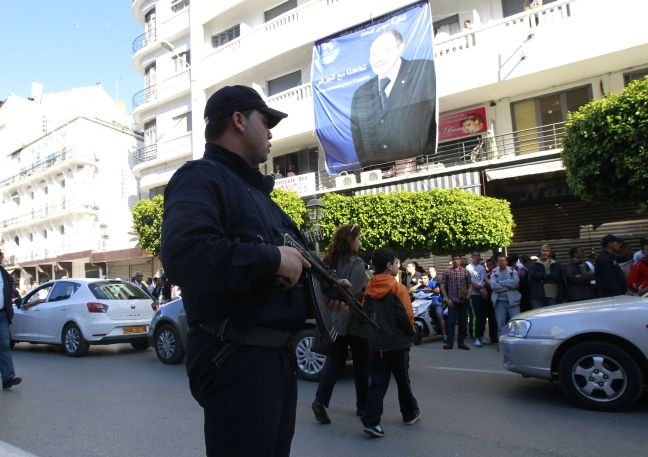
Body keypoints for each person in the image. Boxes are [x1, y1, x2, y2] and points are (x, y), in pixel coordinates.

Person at [160, 85, 314, 457]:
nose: (271, 132)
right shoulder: (200, 177)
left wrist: (323, 293)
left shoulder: (260, 196)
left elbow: (286, 271)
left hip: (274, 361)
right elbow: (185, 253)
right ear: (239, 120)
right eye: (267, 121)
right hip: (236, 360)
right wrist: (272, 259)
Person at [350, 29, 436, 168]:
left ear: (400, 48)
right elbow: (359, 140)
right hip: (381, 176)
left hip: (420, 167)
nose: (378, 58)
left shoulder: (423, 71)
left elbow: (432, 117)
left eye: (385, 51)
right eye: (373, 54)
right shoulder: (360, 95)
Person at [312, 224, 369, 424]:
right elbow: (353, 293)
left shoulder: (328, 261)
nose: (360, 242)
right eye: (358, 238)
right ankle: (362, 407)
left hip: (332, 320)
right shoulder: (357, 263)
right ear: (350, 241)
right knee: (362, 364)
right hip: (354, 321)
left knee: (334, 363)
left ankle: (319, 402)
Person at [361, 248, 419, 437]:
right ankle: (409, 414)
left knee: (377, 383)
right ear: (388, 266)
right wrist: (412, 334)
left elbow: (365, 315)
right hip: (397, 344)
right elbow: (407, 316)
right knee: (403, 380)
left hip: (376, 344)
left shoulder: (369, 289)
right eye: (396, 262)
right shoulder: (398, 288)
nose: (398, 265)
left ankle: (371, 421)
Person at [440, 253, 472, 350]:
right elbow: (442, 286)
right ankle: (449, 343)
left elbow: (470, 284)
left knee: (463, 323)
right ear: (451, 260)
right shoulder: (447, 272)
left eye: (457, 259)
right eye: (454, 259)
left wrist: (468, 295)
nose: (456, 261)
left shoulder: (466, 272)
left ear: (460, 260)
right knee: (451, 323)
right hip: (452, 301)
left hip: (463, 301)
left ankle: (461, 343)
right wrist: (446, 299)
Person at [1, 249, 22, 390]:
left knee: (4, 346)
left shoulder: (3, 273)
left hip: (2, 314)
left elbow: (10, 289)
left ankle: (8, 377)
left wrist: (18, 298)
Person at [489, 253, 521, 340]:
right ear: (497, 262)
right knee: (501, 324)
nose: (501, 262)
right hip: (499, 302)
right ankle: (501, 343)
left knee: (515, 324)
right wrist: (508, 286)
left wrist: (502, 283)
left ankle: (515, 342)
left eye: (503, 261)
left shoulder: (513, 272)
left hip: (513, 302)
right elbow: (493, 286)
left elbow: (515, 283)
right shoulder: (494, 273)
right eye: (499, 261)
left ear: (506, 262)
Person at [528, 244, 564, 308]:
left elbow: (556, 276)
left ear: (550, 252)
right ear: (540, 251)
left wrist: (542, 276)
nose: (545, 253)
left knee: (551, 316)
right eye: (543, 250)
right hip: (537, 295)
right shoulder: (533, 264)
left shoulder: (556, 264)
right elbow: (533, 275)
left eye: (547, 251)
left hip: (552, 294)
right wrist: (547, 275)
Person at [466, 251, 488, 347]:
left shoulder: (482, 268)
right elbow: (470, 282)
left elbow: (483, 280)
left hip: (481, 295)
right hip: (473, 295)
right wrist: (479, 289)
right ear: (472, 257)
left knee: (483, 317)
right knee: (476, 317)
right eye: (475, 255)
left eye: (478, 255)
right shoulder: (468, 268)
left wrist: (482, 288)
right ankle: (476, 338)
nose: (477, 257)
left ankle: (481, 336)